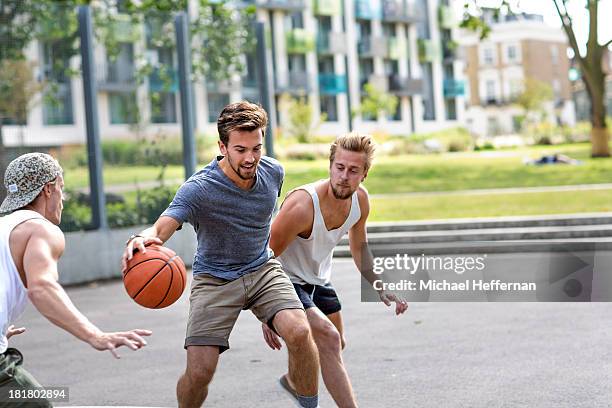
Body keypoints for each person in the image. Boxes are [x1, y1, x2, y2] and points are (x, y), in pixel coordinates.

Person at [121, 101, 320, 408]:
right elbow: (162, 227)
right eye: (241, 149)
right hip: (215, 278)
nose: (251, 158)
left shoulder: (274, 173)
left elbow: (261, 226)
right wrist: (142, 238)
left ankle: (306, 400)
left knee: (298, 331)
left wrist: (272, 313)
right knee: (201, 372)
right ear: (222, 146)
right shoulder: (199, 188)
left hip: (262, 268)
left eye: (257, 148)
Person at [261, 133, 408, 408]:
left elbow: (359, 247)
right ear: (330, 166)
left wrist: (379, 285)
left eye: (353, 170)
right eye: (339, 167)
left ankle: (294, 379)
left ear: (365, 174)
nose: (344, 176)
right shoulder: (302, 206)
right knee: (327, 338)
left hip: (317, 278)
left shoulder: (360, 201)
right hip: (283, 280)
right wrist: (267, 312)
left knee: (336, 344)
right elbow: (263, 257)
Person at [0, 153, 151, 407]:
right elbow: (42, 288)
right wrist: (95, 335)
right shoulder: (42, 230)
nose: (64, 198)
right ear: (48, 189)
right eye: (62, 188)